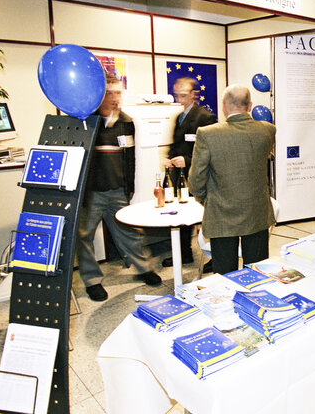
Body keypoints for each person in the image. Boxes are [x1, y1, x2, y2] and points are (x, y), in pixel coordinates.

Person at [76, 75, 161, 301]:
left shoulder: (126, 121)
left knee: (129, 233)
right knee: (83, 236)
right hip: (91, 192)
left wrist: (129, 187)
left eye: (117, 93)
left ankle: (144, 268)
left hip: (117, 190)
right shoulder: (86, 121)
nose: (114, 98)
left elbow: (130, 158)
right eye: (109, 93)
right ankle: (92, 280)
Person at [189, 85, 275, 275]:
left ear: (224, 106)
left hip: (222, 212)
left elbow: (196, 180)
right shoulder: (268, 130)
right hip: (257, 211)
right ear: (250, 105)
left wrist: (207, 198)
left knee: (225, 275)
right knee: (257, 271)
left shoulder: (207, 134)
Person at [164, 76, 217, 268]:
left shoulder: (205, 117)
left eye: (183, 95)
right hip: (179, 176)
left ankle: (214, 257)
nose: (180, 99)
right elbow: (176, 144)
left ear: (194, 94)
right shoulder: (178, 116)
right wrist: (168, 158)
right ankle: (183, 253)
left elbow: (211, 151)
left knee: (205, 217)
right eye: (177, 95)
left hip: (199, 176)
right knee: (182, 215)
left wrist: (185, 161)